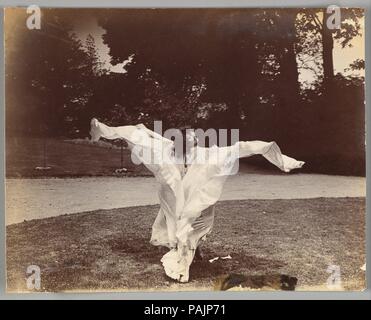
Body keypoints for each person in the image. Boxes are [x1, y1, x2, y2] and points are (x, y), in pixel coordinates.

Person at [90, 118, 305, 282]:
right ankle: (184, 258)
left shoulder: (205, 153)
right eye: (192, 136)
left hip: (198, 199)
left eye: (195, 136)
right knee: (180, 225)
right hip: (176, 197)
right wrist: (113, 130)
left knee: (196, 225)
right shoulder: (170, 150)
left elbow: (243, 147)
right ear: (185, 141)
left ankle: (191, 250)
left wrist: (283, 160)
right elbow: (140, 137)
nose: (197, 137)